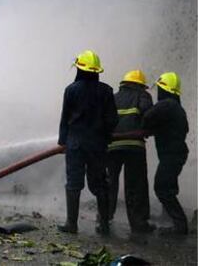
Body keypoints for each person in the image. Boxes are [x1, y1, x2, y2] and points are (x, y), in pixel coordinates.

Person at [57, 50, 118, 234]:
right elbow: (113, 119)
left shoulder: (71, 90)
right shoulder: (106, 91)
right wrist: (106, 136)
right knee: (99, 184)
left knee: (74, 183)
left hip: (75, 144)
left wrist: (62, 142)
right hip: (98, 146)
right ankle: (104, 225)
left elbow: (64, 119)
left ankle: (71, 224)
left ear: (79, 70)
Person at [107, 70, 155, 233]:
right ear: (140, 85)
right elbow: (149, 114)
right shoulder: (143, 96)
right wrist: (148, 128)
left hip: (112, 147)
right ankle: (139, 223)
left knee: (110, 183)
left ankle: (105, 218)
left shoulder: (112, 98)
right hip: (134, 147)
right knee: (135, 184)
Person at [142, 72, 189, 235]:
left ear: (164, 89)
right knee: (169, 185)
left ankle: (180, 225)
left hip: (171, 154)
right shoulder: (177, 108)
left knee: (162, 187)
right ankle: (167, 217)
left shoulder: (166, 105)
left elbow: (147, 117)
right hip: (176, 153)